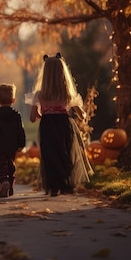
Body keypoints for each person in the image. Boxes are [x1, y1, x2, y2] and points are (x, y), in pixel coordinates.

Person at [28, 53, 94, 196]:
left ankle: (53, 187)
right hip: (64, 125)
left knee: (50, 155)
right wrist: (78, 110)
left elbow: (33, 118)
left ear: (44, 74)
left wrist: (43, 112)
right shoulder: (67, 93)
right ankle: (67, 185)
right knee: (66, 154)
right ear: (63, 72)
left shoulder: (40, 94)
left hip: (47, 125)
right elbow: (82, 115)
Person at [0, 83, 26, 198]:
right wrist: (21, 144)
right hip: (12, 145)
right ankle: (11, 186)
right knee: (11, 165)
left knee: (2, 165)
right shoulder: (16, 115)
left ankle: (4, 181)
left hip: (0, 146)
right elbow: (20, 131)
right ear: (13, 100)